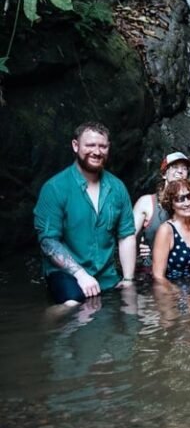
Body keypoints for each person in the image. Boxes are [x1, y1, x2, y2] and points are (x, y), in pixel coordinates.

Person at [34, 121, 136, 305]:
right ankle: (46, 327)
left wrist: (128, 279)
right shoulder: (55, 188)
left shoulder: (117, 188)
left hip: (106, 275)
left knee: (126, 311)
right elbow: (48, 241)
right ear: (75, 146)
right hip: (66, 274)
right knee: (72, 307)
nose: (96, 152)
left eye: (102, 146)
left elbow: (126, 235)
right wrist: (80, 275)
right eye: (90, 145)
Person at [133, 151, 190, 264]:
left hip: (180, 270)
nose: (180, 171)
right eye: (175, 167)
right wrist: (138, 249)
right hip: (150, 271)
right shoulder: (146, 202)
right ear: (164, 174)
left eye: (184, 168)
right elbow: (128, 238)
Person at [151, 178, 190, 285]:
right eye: (180, 199)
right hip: (173, 290)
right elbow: (158, 276)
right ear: (171, 204)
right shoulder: (166, 230)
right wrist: (178, 296)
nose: (187, 203)